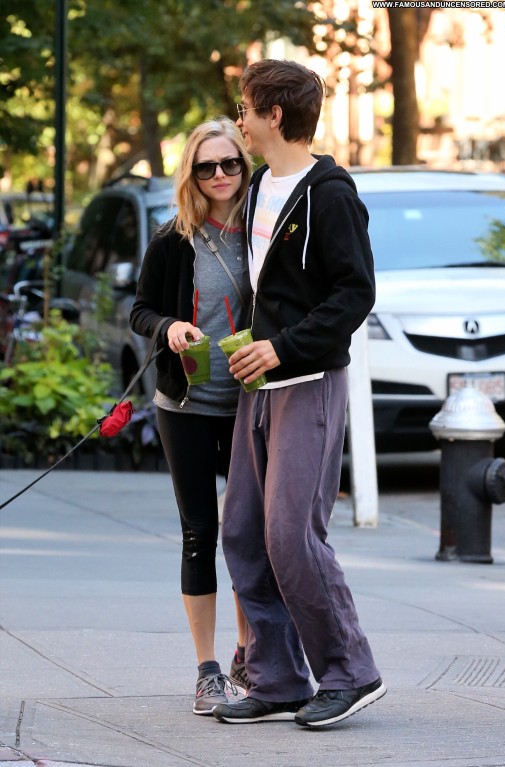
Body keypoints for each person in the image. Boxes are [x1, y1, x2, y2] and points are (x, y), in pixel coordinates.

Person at [212, 60, 386, 728]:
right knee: (243, 532)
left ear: (274, 114)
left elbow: (355, 294)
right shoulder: (260, 185)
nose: (241, 121)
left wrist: (283, 346)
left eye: (246, 109)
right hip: (258, 386)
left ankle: (350, 672)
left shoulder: (331, 195)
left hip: (307, 384)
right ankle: (279, 678)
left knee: (292, 535)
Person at [130, 118, 252, 716]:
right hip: (186, 405)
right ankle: (208, 671)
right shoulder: (173, 237)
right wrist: (170, 327)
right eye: (206, 166)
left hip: (251, 403)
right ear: (191, 173)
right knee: (200, 531)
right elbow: (140, 311)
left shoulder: (263, 230)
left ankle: (249, 654)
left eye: (230, 163)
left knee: (249, 532)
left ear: (244, 166)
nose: (220, 175)